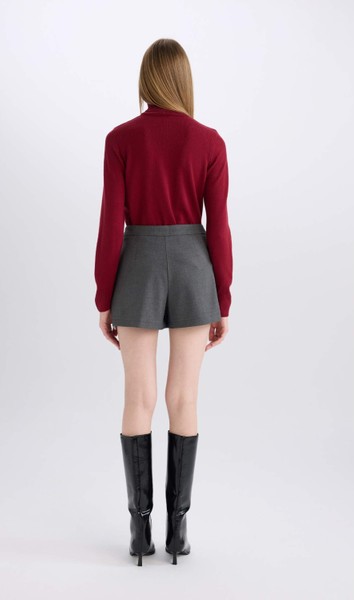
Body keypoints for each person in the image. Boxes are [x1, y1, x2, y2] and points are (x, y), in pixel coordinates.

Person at [94, 38, 233, 566]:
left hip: (139, 265)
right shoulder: (210, 142)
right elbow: (218, 226)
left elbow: (111, 222)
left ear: (146, 79)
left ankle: (139, 531)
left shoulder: (120, 139)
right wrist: (222, 297)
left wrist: (104, 294)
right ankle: (177, 531)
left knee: (139, 397)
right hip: (195, 265)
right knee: (184, 398)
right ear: (183, 80)